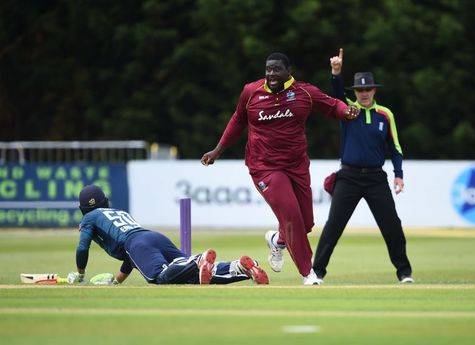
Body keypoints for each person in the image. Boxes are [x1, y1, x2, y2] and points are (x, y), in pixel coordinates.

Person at [200, 52, 360, 285]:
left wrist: (346, 111)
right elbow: (237, 120)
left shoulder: (304, 92)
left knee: (305, 224)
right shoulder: (251, 92)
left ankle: (277, 240)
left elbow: (332, 105)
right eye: (268, 69)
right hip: (263, 167)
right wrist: (218, 150)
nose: (271, 74)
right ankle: (309, 273)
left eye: (276, 69)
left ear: (288, 70)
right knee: (292, 217)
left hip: (297, 165)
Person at [313, 48, 414, 284]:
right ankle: (316, 272)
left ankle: (404, 273)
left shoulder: (384, 114)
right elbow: (337, 94)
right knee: (333, 227)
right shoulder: (349, 109)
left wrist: (398, 175)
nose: (364, 93)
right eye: (360, 89)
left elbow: (395, 148)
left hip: (376, 179)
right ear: (355, 92)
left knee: (392, 226)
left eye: (368, 89)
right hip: (348, 177)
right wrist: (336, 73)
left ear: (374, 90)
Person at [67, 184, 269, 285]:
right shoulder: (118, 212)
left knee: (159, 278)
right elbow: (132, 260)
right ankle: (241, 268)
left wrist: (81, 275)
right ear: (105, 201)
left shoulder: (89, 218)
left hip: (137, 244)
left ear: (82, 208)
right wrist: (116, 282)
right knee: (192, 278)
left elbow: (82, 247)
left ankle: (197, 259)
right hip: (153, 237)